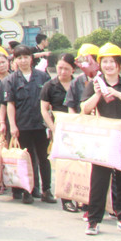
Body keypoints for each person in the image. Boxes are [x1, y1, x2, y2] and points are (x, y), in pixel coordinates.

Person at [81, 43, 121, 236]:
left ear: (119, 65)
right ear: (100, 64)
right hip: (104, 140)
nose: (109, 65)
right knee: (99, 181)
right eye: (105, 62)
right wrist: (100, 92)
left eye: (112, 62)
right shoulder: (94, 84)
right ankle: (93, 221)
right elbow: (84, 108)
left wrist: (116, 93)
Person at [4, 45, 53, 205]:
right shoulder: (11, 80)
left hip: (40, 124)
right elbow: (10, 104)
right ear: (15, 60)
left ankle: (46, 190)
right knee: (26, 159)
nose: (23, 60)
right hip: (22, 125)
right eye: (19, 58)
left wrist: (51, 124)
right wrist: (13, 126)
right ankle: (28, 190)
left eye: (26, 57)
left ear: (31, 58)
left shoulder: (43, 77)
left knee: (44, 158)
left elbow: (49, 103)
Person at [41, 54, 83, 212]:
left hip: (79, 130)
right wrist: (53, 128)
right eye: (59, 68)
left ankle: (81, 197)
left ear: (73, 69)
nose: (62, 71)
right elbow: (44, 110)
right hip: (60, 130)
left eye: (66, 68)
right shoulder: (50, 86)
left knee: (80, 165)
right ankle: (66, 200)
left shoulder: (79, 84)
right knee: (64, 165)